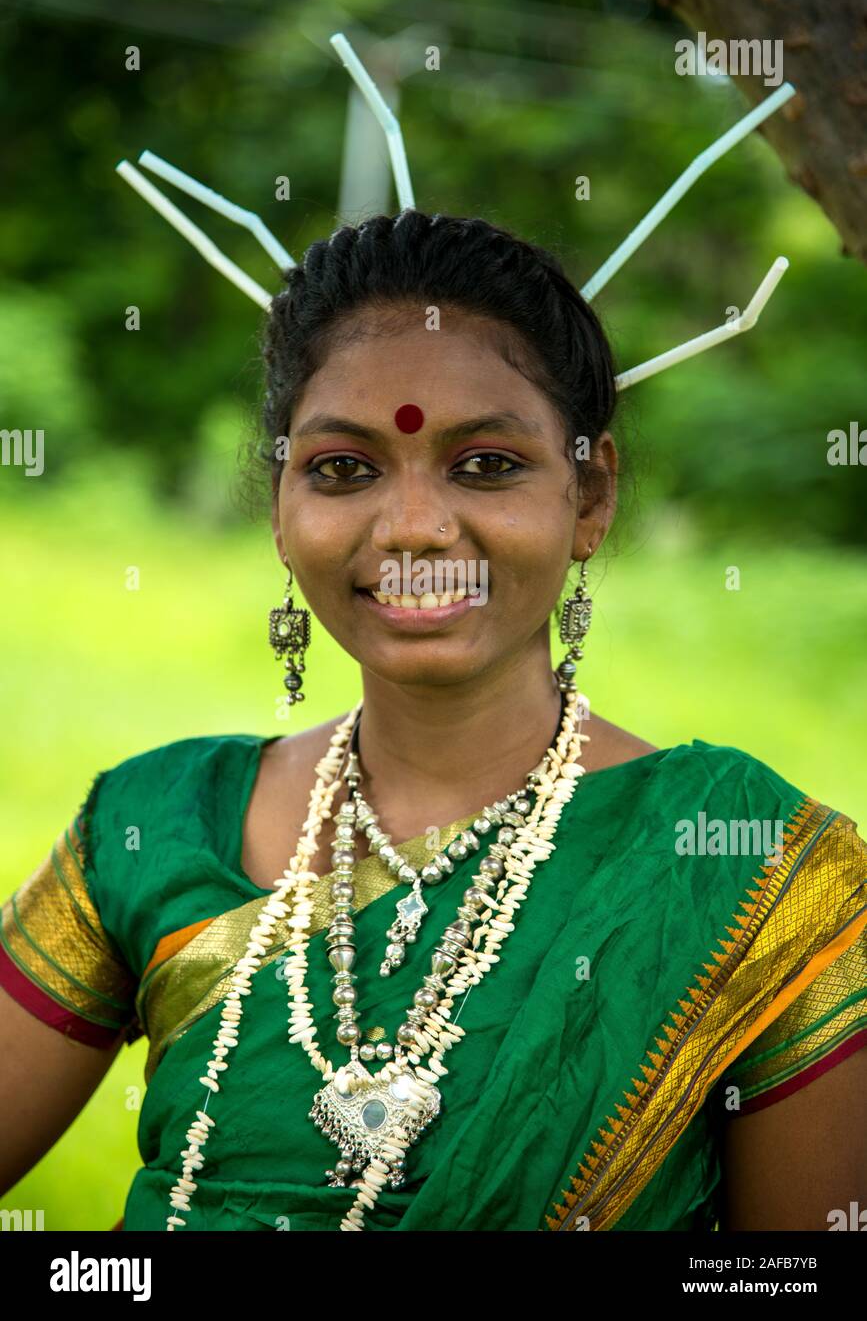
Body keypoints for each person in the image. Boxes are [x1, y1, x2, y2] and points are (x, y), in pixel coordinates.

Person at [1, 211, 865, 1232]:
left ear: (590, 495)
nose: (414, 527)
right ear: (281, 505)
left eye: (487, 464)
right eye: (344, 469)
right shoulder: (154, 826)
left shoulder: (755, 873)